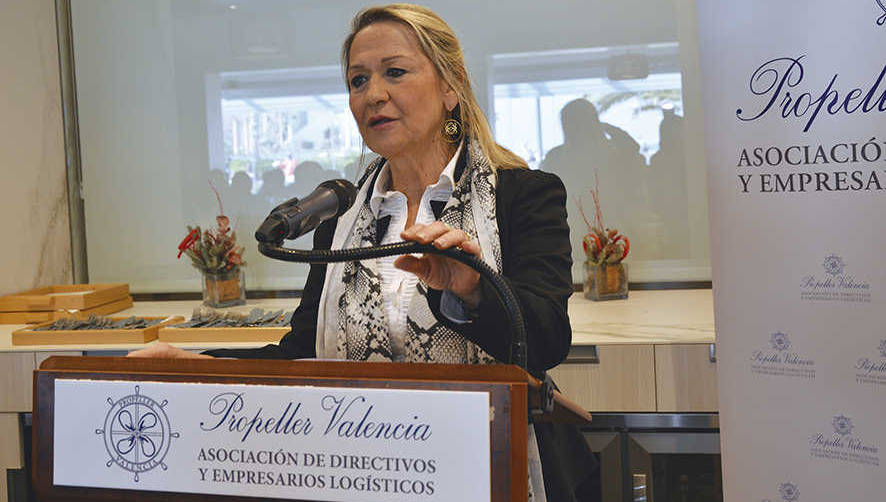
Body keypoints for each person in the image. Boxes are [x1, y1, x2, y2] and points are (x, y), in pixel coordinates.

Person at [130, 4, 598, 500]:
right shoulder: (340, 219)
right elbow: (304, 358)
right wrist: (196, 364)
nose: (373, 95)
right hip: (368, 476)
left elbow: (547, 341)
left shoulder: (523, 195)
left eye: (394, 72)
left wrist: (472, 289)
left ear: (450, 86)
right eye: (358, 81)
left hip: (491, 472)